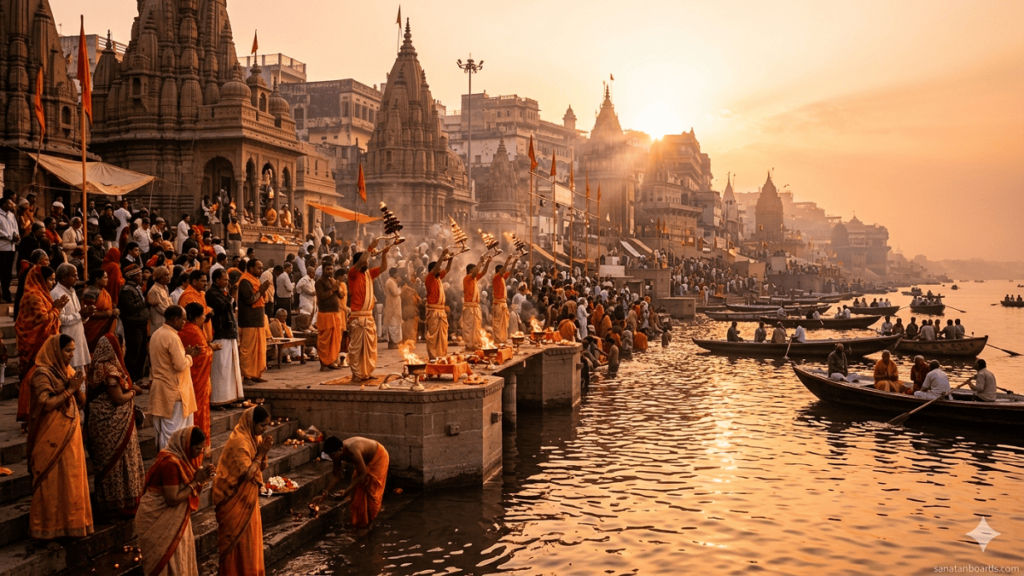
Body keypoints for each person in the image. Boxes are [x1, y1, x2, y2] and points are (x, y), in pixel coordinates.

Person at [26, 334, 93, 539]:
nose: (72, 355)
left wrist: (79, 386)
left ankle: (71, 524)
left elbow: (82, 401)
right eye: (67, 351)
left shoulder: (67, 371)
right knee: (50, 480)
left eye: (73, 350)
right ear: (56, 351)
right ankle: (45, 529)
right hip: (49, 434)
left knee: (71, 479)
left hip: (71, 434)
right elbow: (45, 403)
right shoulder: (41, 374)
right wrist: (70, 389)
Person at [136, 426, 214, 576]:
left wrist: (201, 479)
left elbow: (190, 491)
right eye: (198, 448)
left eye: (202, 449)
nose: (200, 453)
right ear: (186, 445)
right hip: (159, 519)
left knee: (180, 560)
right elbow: (172, 499)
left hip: (175, 520)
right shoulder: (170, 464)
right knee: (169, 563)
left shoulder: (182, 460)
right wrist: (195, 482)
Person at [86, 334, 145, 517]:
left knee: (115, 463)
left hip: (105, 422)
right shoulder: (109, 370)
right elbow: (118, 398)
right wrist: (133, 393)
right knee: (118, 462)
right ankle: (120, 505)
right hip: (110, 423)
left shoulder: (97, 367)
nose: (125, 349)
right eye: (123, 346)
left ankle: (112, 503)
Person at [213, 406, 273, 576]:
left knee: (251, 540)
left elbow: (260, 467)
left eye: (267, 426)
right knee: (237, 542)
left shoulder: (255, 437)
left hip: (248, 499)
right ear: (251, 423)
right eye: (262, 425)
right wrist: (261, 453)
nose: (264, 429)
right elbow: (247, 474)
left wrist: (263, 454)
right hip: (232, 499)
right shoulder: (240, 442)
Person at [16, 266, 66, 422]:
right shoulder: (34, 296)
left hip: (46, 344)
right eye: (50, 279)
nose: (52, 283)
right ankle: (31, 415)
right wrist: (57, 309)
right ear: (40, 280)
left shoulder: (43, 295)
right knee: (35, 381)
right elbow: (42, 321)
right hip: (35, 345)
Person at [149, 306, 199, 450]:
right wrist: (190, 356)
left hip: (162, 390)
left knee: (165, 432)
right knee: (175, 434)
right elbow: (180, 365)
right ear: (175, 319)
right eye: (183, 319)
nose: (185, 322)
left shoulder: (157, 334)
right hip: (174, 392)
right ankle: (172, 463)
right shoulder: (172, 337)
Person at [312, 436, 390, 529]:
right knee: (357, 489)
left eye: (332, 456)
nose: (331, 458)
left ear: (340, 450)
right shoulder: (336, 454)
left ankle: (371, 522)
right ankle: (361, 522)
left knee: (372, 491)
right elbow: (337, 476)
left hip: (378, 457)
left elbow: (362, 474)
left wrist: (346, 491)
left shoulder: (353, 450)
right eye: (329, 456)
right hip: (364, 462)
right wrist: (324, 494)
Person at [348, 242, 392, 381]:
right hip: (358, 318)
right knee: (356, 348)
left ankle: (366, 372)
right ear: (358, 263)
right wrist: (370, 247)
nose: (367, 261)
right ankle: (356, 374)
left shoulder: (368, 273)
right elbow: (362, 260)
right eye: (365, 260)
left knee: (370, 348)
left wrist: (384, 254)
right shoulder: (353, 274)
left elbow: (384, 267)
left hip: (368, 317)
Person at [180, 303, 217, 446]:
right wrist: (209, 350)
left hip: (190, 375)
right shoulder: (194, 331)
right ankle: (199, 442)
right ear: (195, 317)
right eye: (202, 315)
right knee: (199, 409)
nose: (204, 318)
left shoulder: (187, 329)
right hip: (196, 378)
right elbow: (202, 354)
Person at [207, 268, 244, 408]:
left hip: (229, 334)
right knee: (220, 368)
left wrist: (230, 295)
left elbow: (231, 305)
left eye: (228, 280)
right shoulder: (212, 293)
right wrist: (232, 294)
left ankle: (229, 399)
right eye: (225, 280)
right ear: (217, 280)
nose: (227, 282)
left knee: (230, 368)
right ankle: (217, 400)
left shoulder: (222, 292)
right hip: (220, 334)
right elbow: (224, 306)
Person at [51, 263, 93, 371]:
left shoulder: (72, 291)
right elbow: (61, 319)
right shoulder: (56, 293)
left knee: (80, 376)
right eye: (74, 275)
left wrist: (85, 316)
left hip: (78, 338)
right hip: (67, 340)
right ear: (64, 277)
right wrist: (80, 314)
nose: (77, 278)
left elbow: (79, 316)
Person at [237, 259, 271, 383]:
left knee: (259, 349)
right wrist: (261, 290)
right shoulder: (245, 281)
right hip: (248, 320)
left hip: (258, 320)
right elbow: (250, 300)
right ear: (251, 269)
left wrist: (262, 290)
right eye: (259, 268)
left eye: (262, 268)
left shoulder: (255, 280)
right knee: (248, 350)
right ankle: (247, 376)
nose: (261, 270)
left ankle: (256, 374)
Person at [315, 259, 346, 371]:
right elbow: (321, 297)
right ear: (323, 270)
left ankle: (331, 361)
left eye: (332, 269)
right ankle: (323, 363)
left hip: (336, 313)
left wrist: (337, 288)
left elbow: (342, 295)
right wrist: (332, 290)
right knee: (325, 341)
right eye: (328, 269)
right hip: (325, 314)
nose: (330, 271)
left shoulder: (333, 281)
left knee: (335, 340)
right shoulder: (319, 282)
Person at [461, 253, 494, 352]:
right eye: (474, 270)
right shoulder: (467, 278)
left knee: (476, 327)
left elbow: (483, 273)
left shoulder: (474, 279)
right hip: (469, 307)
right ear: (470, 271)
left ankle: (475, 344)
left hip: (475, 306)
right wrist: (481, 261)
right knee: (469, 327)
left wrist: (487, 262)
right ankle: (469, 345)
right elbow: (476, 272)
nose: (476, 271)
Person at [425, 250, 453, 360]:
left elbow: (447, 269)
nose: (440, 271)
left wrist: (451, 259)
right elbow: (438, 268)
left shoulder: (438, 278)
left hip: (441, 311)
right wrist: (441, 256)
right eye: (438, 269)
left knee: (442, 336)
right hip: (433, 311)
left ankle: (441, 356)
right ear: (433, 270)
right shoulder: (430, 278)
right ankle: (433, 357)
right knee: (433, 336)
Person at [81, 268, 118, 351]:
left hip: (105, 328)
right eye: (105, 278)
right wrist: (107, 314)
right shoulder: (90, 292)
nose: (107, 280)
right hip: (93, 331)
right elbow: (87, 312)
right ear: (97, 279)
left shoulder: (103, 291)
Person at [178, 270, 213, 342]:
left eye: (206, 281)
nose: (206, 284)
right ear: (194, 282)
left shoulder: (202, 294)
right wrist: (208, 313)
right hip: (193, 334)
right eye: (203, 281)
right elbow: (194, 319)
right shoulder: (188, 296)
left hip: (203, 333)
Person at [491, 253, 519, 344]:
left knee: (503, 325)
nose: (504, 272)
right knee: (498, 325)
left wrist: (514, 262)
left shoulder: (502, 278)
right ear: (498, 271)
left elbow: (510, 272)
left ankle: (502, 340)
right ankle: (498, 341)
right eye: (502, 271)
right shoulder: (496, 277)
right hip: (498, 304)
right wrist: (507, 261)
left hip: (503, 304)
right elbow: (504, 270)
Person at [0, 196, 19, 302]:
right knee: (1, 271)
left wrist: (16, 236)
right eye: (9, 203)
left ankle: (6, 294)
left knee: (7, 273)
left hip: (11, 247)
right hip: (1, 247)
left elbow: (15, 228)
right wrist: (9, 236)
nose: (12, 205)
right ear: (3, 204)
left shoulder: (11, 215)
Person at [382, 267, 403, 349]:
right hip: (392, 308)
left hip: (395, 308)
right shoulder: (390, 282)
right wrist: (400, 286)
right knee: (392, 326)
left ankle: (394, 343)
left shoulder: (392, 281)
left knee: (395, 325)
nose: (397, 275)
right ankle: (392, 343)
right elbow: (395, 292)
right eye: (396, 273)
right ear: (394, 274)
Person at [148, 266, 174, 331]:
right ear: (161, 277)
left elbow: (169, 303)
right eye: (167, 275)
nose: (169, 277)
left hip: (166, 322)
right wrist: (174, 314)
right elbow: (161, 309)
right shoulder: (154, 290)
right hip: (158, 324)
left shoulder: (165, 287)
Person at [401, 274, 421, 345]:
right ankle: (411, 341)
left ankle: (405, 341)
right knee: (412, 327)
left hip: (403, 311)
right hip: (412, 311)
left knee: (405, 327)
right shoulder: (413, 291)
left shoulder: (400, 292)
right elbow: (419, 301)